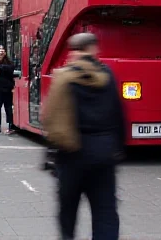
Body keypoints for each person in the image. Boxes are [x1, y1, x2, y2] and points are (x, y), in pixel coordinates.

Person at [42, 33, 124, 240]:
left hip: (71, 155)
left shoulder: (63, 77)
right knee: (105, 212)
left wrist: (50, 153)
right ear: (93, 49)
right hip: (103, 153)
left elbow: (50, 116)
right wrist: (118, 149)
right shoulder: (107, 75)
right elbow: (120, 114)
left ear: (73, 51)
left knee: (68, 211)